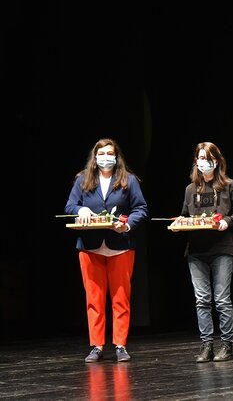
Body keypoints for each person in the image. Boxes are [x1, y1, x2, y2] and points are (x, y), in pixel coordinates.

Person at [64, 138, 149, 363]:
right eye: (101, 154)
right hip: (90, 247)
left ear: (116, 156)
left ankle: (120, 345)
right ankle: (97, 345)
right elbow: (70, 206)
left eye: (110, 153)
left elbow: (141, 208)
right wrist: (80, 210)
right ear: (95, 157)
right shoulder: (83, 179)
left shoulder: (129, 179)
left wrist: (127, 225)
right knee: (94, 299)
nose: (105, 158)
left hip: (120, 246)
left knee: (121, 299)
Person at [180, 142, 233, 363]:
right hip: (196, 250)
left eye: (207, 159)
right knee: (202, 299)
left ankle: (227, 345)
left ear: (216, 161)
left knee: (221, 299)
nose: (203, 162)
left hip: (223, 247)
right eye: (200, 158)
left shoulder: (229, 185)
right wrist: (180, 223)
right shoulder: (191, 189)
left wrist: (227, 221)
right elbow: (185, 216)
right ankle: (206, 345)